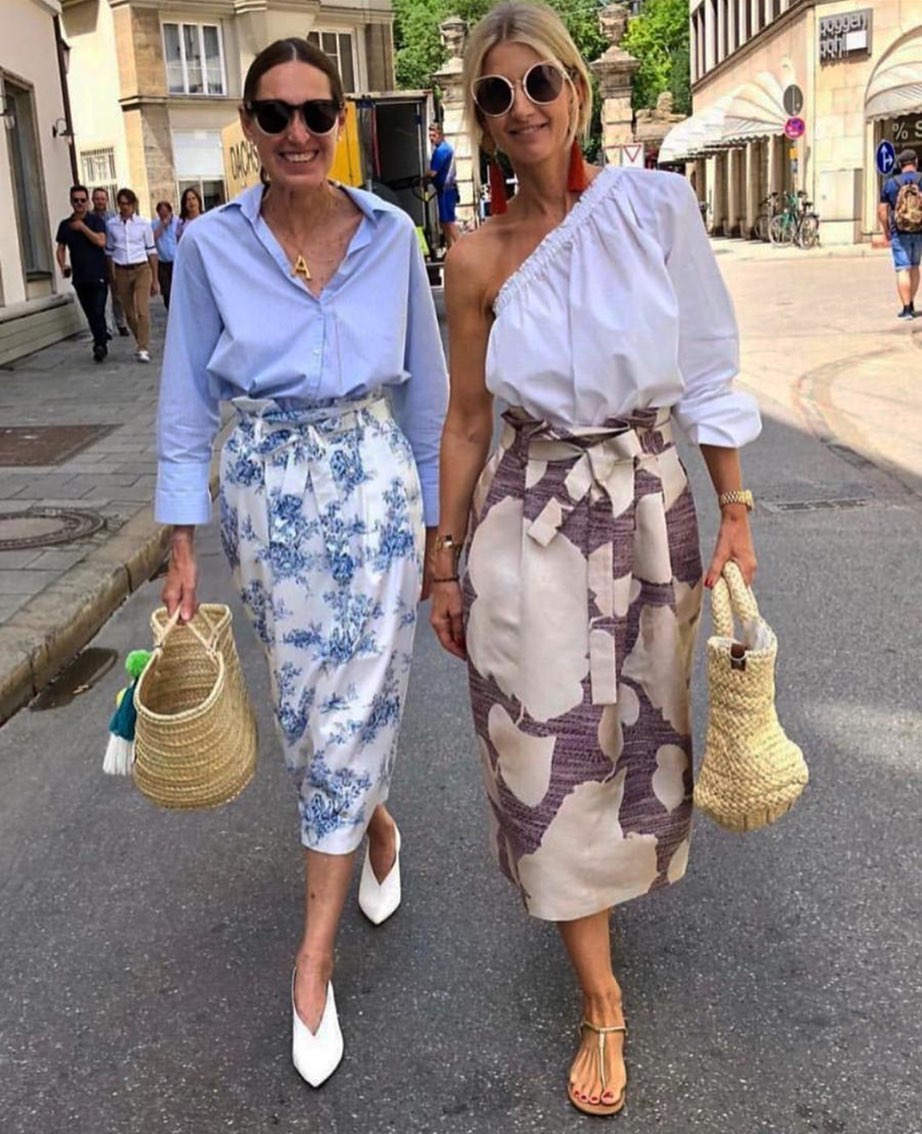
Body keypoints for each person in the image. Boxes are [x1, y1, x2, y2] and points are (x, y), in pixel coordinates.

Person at [429, 2, 761, 1118]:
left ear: (575, 88)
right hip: (526, 522)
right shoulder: (473, 257)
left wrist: (736, 509)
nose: (520, 107)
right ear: (480, 118)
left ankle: (606, 906)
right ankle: (601, 994)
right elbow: (465, 421)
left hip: (647, 504)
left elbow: (706, 367)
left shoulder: (653, 208)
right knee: (544, 744)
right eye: (496, 93)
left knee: (637, 742)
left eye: (538, 82)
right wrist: (443, 562)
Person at [155, 37, 447, 1089]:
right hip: (265, 498)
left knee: (355, 701)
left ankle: (312, 962)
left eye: (316, 113)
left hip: (374, 490)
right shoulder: (209, 247)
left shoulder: (392, 236)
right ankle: (374, 823)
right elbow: (187, 400)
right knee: (307, 708)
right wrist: (180, 542)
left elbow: (428, 398)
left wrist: (440, 541)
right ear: (248, 126)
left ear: (341, 122)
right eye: (274, 115)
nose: (297, 133)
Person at [55, 184, 109, 362]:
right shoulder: (65, 225)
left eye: (83, 200)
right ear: (71, 202)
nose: (79, 203)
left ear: (87, 202)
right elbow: (60, 248)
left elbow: (101, 242)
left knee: (98, 310)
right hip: (80, 276)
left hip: (98, 274)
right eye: (76, 200)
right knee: (90, 313)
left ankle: (100, 345)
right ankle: (100, 340)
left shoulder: (96, 221)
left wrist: (83, 228)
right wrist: (63, 265)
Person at [105, 188, 159, 362]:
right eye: (121, 204)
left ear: (133, 204)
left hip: (141, 268)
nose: (125, 207)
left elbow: (152, 251)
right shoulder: (112, 225)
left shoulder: (143, 224)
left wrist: (155, 279)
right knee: (129, 314)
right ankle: (141, 340)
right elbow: (109, 251)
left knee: (142, 309)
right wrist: (112, 276)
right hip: (122, 269)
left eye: (128, 203)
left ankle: (143, 347)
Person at [878, 147, 922, 320]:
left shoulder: (891, 183)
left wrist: (886, 230)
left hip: (899, 231)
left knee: (903, 268)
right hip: (919, 230)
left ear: (900, 164)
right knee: (915, 267)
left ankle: (906, 309)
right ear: (916, 162)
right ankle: (912, 302)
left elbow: (882, 211)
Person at [92, 186, 129, 337]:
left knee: (118, 294)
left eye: (102, 199)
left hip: (114, 259)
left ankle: (121, 323)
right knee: (102, 296)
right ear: (93, 200)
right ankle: (107, 327)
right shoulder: (89, 218)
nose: (100, 201)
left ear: (107, 200)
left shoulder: (114, 218)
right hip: (97, 260)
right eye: (97, 199)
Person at [425, 122, 460, 251]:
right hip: (445, 189)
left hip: (447, 190)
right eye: (430, 136)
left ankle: (462, 248)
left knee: (449, 222)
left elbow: (433, 172)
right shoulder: (444, 149)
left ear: (440, 135)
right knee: (444, 222)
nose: (431, 138)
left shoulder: (441, 151)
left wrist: (423, 176)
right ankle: (451, 249)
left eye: (433, 135)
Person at [152, 201, 180, 310]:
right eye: (161, 214)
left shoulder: (178, 222)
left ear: (170, 212)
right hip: (162, 262)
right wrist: (162, 226)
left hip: (176, 261)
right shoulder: (155, 224)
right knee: (166, 291)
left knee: (177, 289)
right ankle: (170, 310)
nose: (163, 216)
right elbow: (152, 239)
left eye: (165, 213)